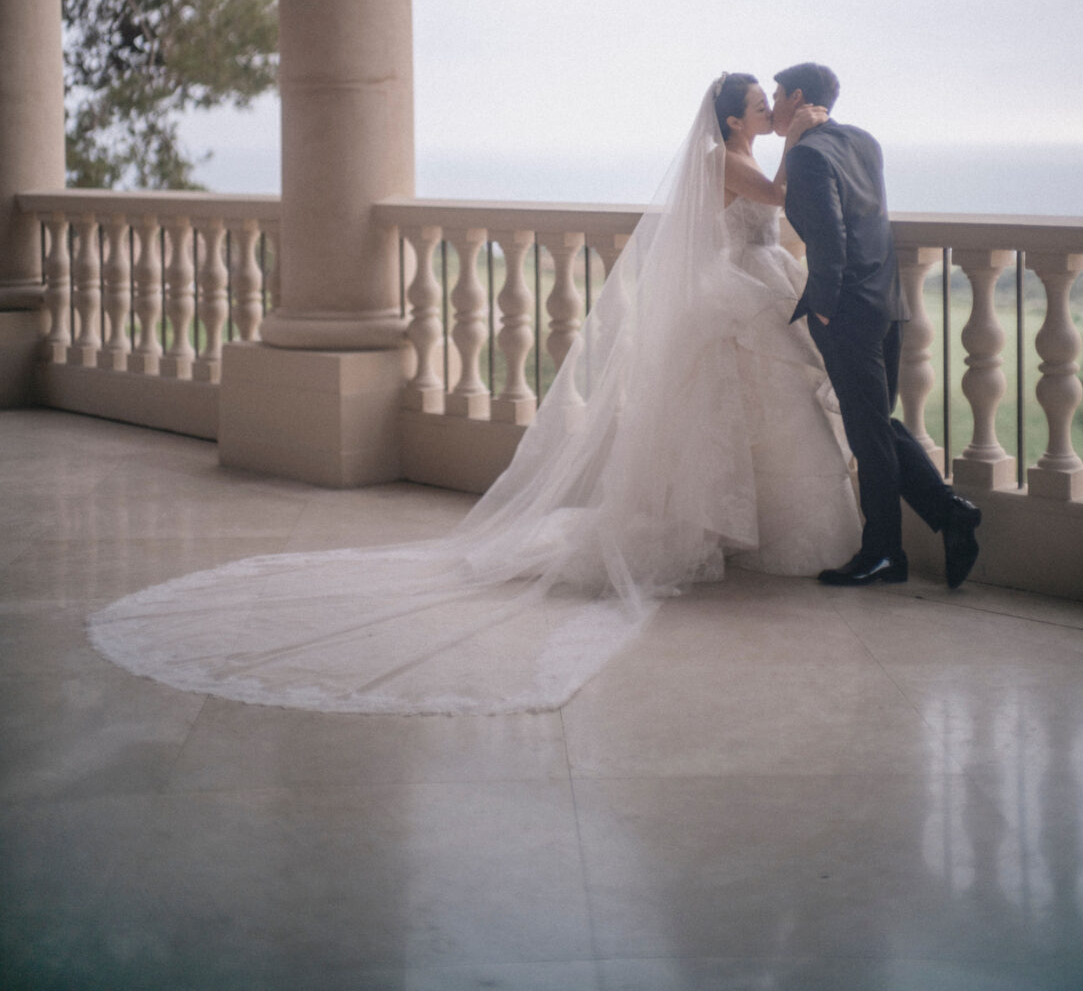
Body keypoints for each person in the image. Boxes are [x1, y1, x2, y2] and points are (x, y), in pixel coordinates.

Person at [87, 76, 862, 715]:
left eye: (773, 100)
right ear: (736, 116)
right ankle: (715, 527)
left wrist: (797, 132)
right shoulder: (721, 160)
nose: (769, 105)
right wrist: (805, 133)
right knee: (718, 418)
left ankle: (753, 528)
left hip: (749, 290)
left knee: (755, 416)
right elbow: (781, 192)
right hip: (730, 294)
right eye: (761, 99)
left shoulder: (736, 152)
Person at [772, 61, 981, 589]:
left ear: (797, 97)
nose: (773, 104)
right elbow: (871, 222)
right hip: (888, 303)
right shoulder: (865, 141)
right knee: (878, 426)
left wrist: (822, 307)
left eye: (777, 95)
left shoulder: (807, 156)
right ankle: (951, 513)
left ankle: (885, 553)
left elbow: (830, 240)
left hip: (847, 312)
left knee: (869, 435)